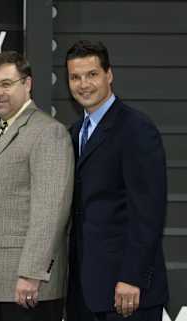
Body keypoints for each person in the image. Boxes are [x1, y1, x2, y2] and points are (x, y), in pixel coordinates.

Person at [0, 51, 74, 321]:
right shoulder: (0, 131)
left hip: (24, 287)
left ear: (27, 84)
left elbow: (50, 210)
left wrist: (32, 273)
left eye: (6, 84)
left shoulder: (47, 132)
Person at [65, 40, 169, 321]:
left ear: (109, 75)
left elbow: (148, 212)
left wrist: (133, 277)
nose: (83, 84)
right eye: (75, 77)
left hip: (125, 294)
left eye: (92, 74)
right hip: (85, 293)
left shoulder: (136, 129)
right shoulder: (74, 133)